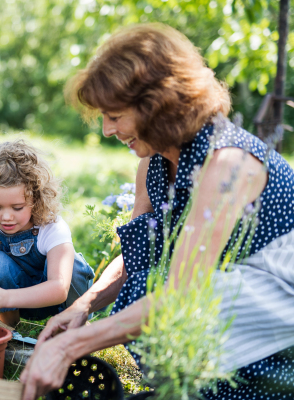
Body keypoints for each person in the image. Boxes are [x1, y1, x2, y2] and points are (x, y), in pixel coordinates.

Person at [20, 23, 294, 399]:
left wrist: (70, 346)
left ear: (159, 105)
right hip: (204, 347)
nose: (106, 130)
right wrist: (83, 306)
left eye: (115, 115)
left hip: (263, 357)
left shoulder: (229, 165)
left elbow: (182, 295)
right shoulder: (155, 162)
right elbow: (138, 253)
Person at [0, 140, 94, 327]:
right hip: (16, 303)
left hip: (59, 301)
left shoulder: (51, 226)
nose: (6, 217)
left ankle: (73, 321)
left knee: (71, 263)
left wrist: (5, 297)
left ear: (36, 199)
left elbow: (59, 288)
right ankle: (6, 325)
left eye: (17, 207)